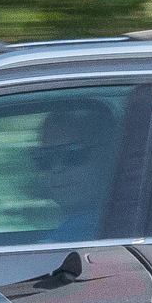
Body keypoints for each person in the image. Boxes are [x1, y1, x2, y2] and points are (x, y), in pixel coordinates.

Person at [33, 96, 120, 242]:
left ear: (110, 156)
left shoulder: (85, 235)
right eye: (45, 157)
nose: (57, 168)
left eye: (73, 154)